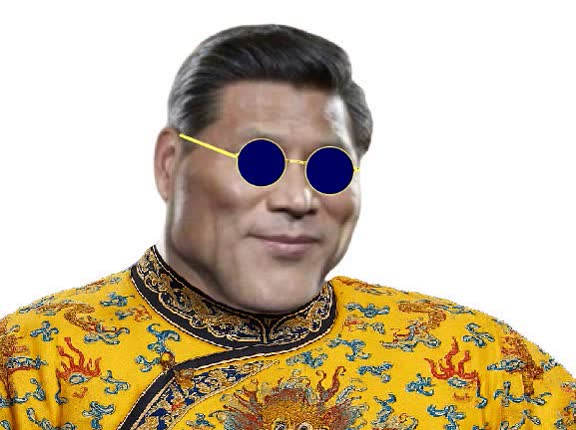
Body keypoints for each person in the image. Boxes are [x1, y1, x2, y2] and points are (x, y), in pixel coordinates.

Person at [1, 24, 574, 430]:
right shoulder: (32, 368)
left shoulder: (477, 362)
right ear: (170, 165)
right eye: (259, 161)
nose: (298, 198)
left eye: (329, 168)